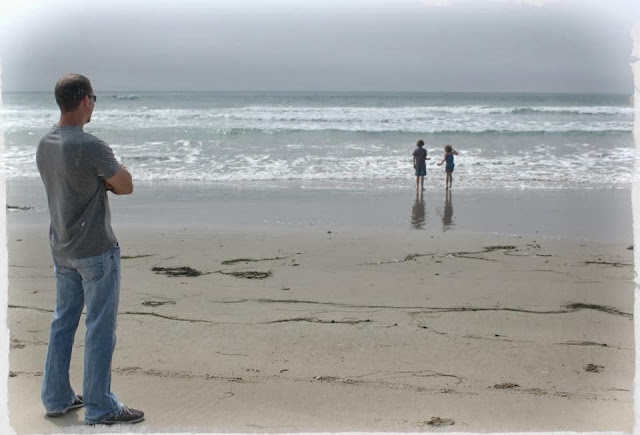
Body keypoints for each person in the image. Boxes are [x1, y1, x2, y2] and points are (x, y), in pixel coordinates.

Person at [36, 73, 144, 425]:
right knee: (99, 328)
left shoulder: (45, 143)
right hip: (95, 249)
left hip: (62, 247)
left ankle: (56, 397)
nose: (94, 104)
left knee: (63, 322)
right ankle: (100, 406)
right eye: (94, 98)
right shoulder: (90, 145)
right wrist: (106, 181)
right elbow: (125, 185)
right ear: (85, 100)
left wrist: (99, 181)